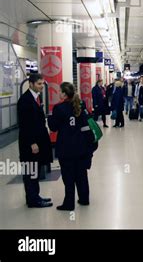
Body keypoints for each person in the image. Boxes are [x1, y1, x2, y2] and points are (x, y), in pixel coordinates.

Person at [48, 82, 94, 211]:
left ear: (64, 94)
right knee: (81, 174)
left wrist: (50, 118)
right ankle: (84, 199)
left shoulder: (59, 108)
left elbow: (53, 127)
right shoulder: (80, 105)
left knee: (68, 177)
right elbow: (86, 124)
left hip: (66, 148)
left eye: (60, 91)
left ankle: (69, 203)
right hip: (81, 147)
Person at [17, 73, 53, 208]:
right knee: (31, 171)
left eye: (42, 84)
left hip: (38, 141)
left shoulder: (35, 98)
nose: (41, 86)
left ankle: (35, 196)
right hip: (30, 144)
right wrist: (32, 142)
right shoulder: (25, 101)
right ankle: (32, 200)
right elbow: (25, 124)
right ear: (31, 84)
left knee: (35, 170)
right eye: (39, 84)